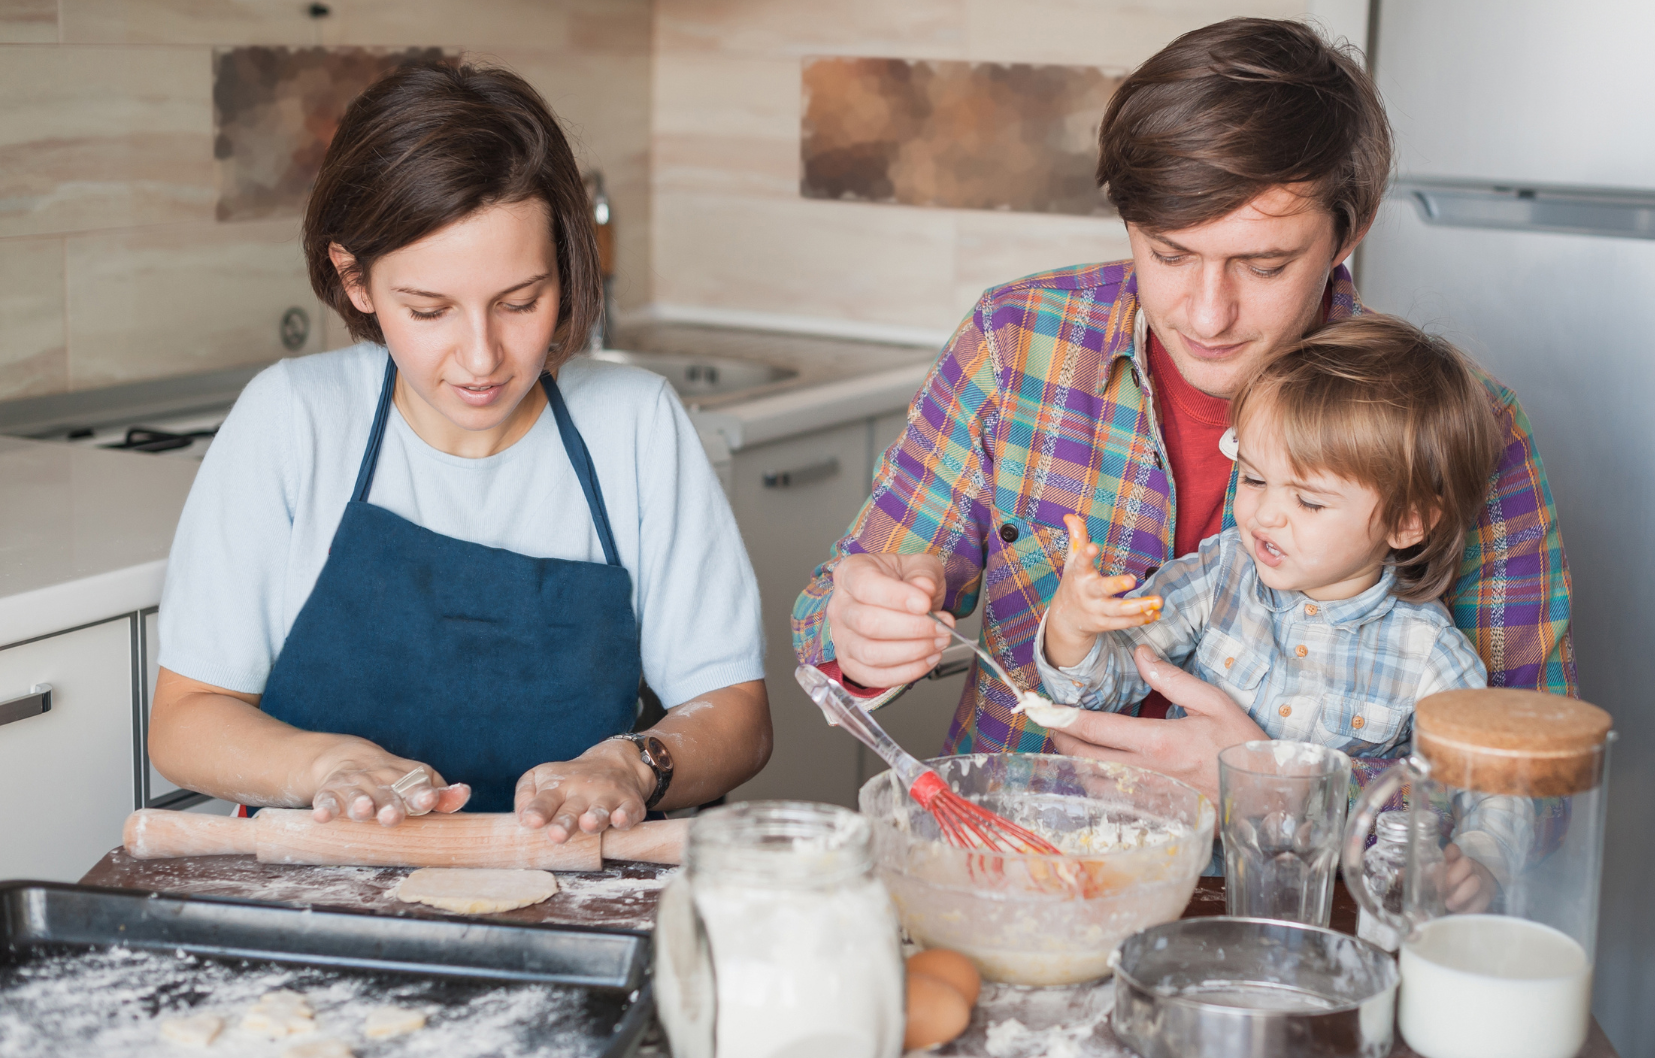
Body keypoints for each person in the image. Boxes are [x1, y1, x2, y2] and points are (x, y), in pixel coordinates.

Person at [792, 18, 1576, 803]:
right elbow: (828, 611)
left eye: (1264, 265)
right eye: (1169, 255)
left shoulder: (1463, 427)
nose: (1207, 316)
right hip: (1019, 872)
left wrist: (1286, 791)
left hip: (1294, 912)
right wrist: (861, 628)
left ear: (1350, 233)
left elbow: (1529, 784)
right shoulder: (1015, 343)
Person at [149, 62, 770, 842]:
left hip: (574, 895)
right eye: (430, 309)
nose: (482, 358)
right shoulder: (293, 419)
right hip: (312, 901)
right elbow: (185, 721)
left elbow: (737, 715)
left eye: (519, 302)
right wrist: (324, 767)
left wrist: (635, 764)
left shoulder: (634, 425)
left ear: (566, 274)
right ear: (356, 279)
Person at [1036, 315, 1524, 911]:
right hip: (1181, 895)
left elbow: (1492, 783)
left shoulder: (1431, 656)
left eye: (1309, 500)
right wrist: (1072, 628)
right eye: (1254, 478)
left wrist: (1485, 856)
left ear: (1407, 522)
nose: (1265, 515)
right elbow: (1101, 688)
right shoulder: (1220, 574)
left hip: (1329, 915)